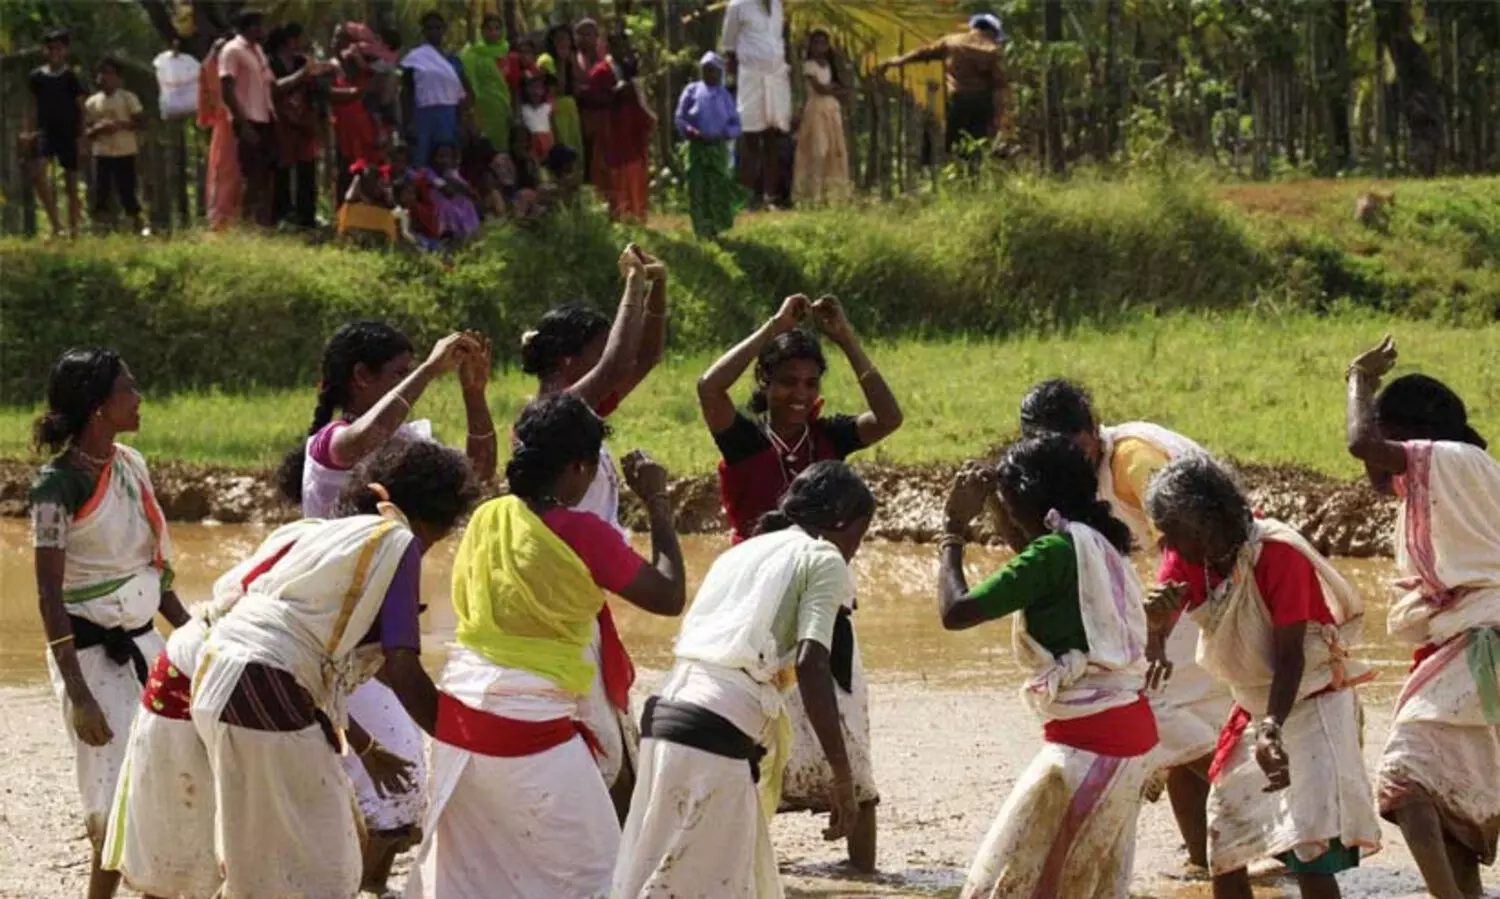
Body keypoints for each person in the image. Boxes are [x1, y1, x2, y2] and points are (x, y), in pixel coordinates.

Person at [191, 440, 514, 897]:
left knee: (257, 858)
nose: (425, 553)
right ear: (423, 520)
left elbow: (342, 659)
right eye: (434, 540)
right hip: (265, 685)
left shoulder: (320, 533)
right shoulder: (397, 541)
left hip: (218, 680)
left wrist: (365, 746)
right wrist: (462, 737)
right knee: (327, 867)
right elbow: (401, 666)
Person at [406, 393, 688, 899]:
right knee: (599, 875)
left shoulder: (488, 517)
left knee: (476, 879)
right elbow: (669, 596)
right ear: (580, 467)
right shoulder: (582, 531)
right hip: (526, 726)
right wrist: (659, 504)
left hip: (460, 717)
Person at [275, 322, 493, 894]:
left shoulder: (400, 449)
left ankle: (361, 887)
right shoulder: (331, 444)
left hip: (367, 646)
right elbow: (365, 439)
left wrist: (474, 392)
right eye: (398, 373)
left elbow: (476, 476)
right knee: (391, 797)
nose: (410, 382)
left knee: (394, 802)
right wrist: (431, 371)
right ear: (361, 378)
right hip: (330, 643)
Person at [698, 293, 902, 870]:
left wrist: (847, 337)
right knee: (755, 735)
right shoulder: (744, 439)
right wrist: (772, 327)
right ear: (764, 381)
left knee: (847, 725)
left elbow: (889, 419)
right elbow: (709, 389)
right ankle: (749, 865)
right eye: (787, 381)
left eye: (811, 383)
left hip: (823, 596)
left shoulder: (828, 438)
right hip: (759, 607)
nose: (799, 394)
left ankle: (864, 872)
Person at [613, 461, 875, 896]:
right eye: (858, 538)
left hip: (665, 725)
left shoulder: (740, 553)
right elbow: (813, 664)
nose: (855, 551)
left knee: (659, 879)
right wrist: (843, 778)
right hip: (714, 739)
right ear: (840, 522)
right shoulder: (824, 557)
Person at [1144, 455, 1382, 899]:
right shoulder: (1188, 555)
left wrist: (1272, 727)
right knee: (1226, 845)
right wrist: (1154, 632)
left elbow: (1290, 658)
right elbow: (1157, 630)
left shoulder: (1276, 553)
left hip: (1309, 705)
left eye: (1174, 529)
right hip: (1253, 709)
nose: (1167, 542)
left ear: (1207, 519)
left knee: (1308, 849)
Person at [1017, 377, 1230, 872]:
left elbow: (1183, 538)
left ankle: (1250, 812)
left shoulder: (1133, 458)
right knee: (1183, 717)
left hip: (1214, 574)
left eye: (1071, 448)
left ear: (1092, 429)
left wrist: (1154, 628)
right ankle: (1206, 861)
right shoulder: (1088, 467)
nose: (1064, 461)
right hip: (1196, 580)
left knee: (1153, 709)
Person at [938, 436, 1157, 898]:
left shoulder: (1053, 555)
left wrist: (952, 530)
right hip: (1129, 734)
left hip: (1091, 742)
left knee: (1031, 882)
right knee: (1085, 879)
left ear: (1028, 500)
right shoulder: (1099, 542)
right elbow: (1028, 545)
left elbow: (955, 612)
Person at [29, 348, 191, 899]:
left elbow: (153, 571)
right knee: (118, 794)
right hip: (93, 659)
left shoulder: (130, 464)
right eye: (130, 389)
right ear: (100, 407)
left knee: (163, 780)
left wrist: (195, 638)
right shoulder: (55, 488)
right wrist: (78, 693)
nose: (139, 398)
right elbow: (49, 595)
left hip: (147, 645)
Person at [1345, 335, 1500, 899]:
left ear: (1405, 434)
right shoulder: (1463, 476)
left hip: (1479, 640)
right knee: (1450, 802)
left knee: (1404, 781)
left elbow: (1360, 442)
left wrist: (1358, 379)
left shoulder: (1453, 460)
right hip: (1471, 642)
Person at [522, 244, 669, 817]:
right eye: (597, 348)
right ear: (566, 365)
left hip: (583, 592)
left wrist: (658, 287)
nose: (612, 357)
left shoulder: (574, 418)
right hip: (562, 599)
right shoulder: (546, 420)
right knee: (606, 746)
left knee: (612, 739)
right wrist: (632, 283)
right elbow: (615, 366)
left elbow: (644, 358)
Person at [879, 14, 1007, 160]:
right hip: (982, 104)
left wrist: (898, 61)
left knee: (950, 140)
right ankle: (971, 176)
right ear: (991, 31)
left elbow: (923, 53)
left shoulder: (952, 41)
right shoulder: (992, 50)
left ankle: (933, 166)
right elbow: (999, 86)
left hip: (957, 100)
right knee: (976, 144)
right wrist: (999, 116)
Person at [721, 0, 791, 209]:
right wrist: (734, 83)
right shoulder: (737, 5)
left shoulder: (778, 5)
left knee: (773, 137)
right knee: (750, 139)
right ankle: (748, 197)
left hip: (776, 78)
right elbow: (729, 48)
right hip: (750, 78)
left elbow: (778, 41)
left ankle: (769, 197)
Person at [587, 30, 655, 223]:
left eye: (625, 45)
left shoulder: (629, 69)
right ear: (609, 47)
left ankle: (637, 215)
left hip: (632, 132)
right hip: (614, 133)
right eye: (617, 44)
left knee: (636, 172)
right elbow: (593, 100)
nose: (623, 49)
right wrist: (614, 93)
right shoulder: (602, 71)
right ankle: (619, 216)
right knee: (616, 176)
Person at [25, 28, 86, 238]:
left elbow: (81, 106)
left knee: (71, 182)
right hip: (45, 132)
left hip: (69, 133)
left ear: (65, 51)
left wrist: (83, 135)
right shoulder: (36, 77)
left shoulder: (70, 76)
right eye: (50, 48)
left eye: (58, 48)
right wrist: (29, 131)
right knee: (38, 174)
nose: (54, 52)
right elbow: (33, 105)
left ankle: (74, 229)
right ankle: (55, 225)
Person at [675, 52, 742, 239]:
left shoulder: (725, 96)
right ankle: (700, 228)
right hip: (697, 147)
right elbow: (680, 117)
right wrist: (689, 130)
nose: (709, 74)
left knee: (718, 187)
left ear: (719, 73)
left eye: (713, 70)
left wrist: (725, 134)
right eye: (705, 70)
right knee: (697, 187)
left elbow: (736, 124)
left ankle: (717, 227)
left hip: (718, 148)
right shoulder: (692, 90)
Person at [267, 23, 322, 229]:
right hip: (281, 120)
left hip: (304, 120)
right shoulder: (270, 63)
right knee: (282, 167)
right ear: (289, 40)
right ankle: (282, 214)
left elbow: (315, 88)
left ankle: (307, 215)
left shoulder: (302, 61)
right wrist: (301, 76)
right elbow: (273, 88)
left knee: (307, 166)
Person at [83, 57, 145, 234]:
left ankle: (136, 225)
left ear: (118, 78)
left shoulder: (127, 98)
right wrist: (99, 128)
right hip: (102, 153)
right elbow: (87, 131)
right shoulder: (92, 102)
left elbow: (140, 123)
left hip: (125, 151)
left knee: (127, 190)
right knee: (101, 191)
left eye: (109, 73)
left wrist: (119, 125)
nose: (104, 77)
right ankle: (102, 228)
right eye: (101, 73)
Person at [403, 11, 471, 167]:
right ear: (424, 32)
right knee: (422, 159)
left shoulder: (453, 60)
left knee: (446, 160)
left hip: (448, 115)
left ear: (444, 30)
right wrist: (409, 121)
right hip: (423, 115)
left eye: (438, 28)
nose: (434, 32)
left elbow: (464, 92)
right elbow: (406, 91)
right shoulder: (415, 57)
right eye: (430, 28)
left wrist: (462, 121)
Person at [792, 29, 852, 206]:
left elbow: (843, 89)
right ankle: (811, 193)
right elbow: (820, 89)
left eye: (823, 43)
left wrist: (835, 89)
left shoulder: (829, 65)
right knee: (818, 150)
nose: (820, 47)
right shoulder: (809, 66)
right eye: (816, 43)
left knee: (835, 150)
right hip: (816, 111)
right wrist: (835, 89)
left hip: (831, 110)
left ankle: (831, 194)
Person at [198, 34, 241, 230]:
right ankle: (221, 217)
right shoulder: (217, 63)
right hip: (226, 124)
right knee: (225, 170)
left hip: (233, 122)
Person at [459, 10, 516, 156]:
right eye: (489, 29)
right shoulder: (474, 54)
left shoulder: (507, 52)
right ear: (482, 31)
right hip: (483, 107)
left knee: (505, 145)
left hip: (505, 106)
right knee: (486, 148)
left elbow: (512, 82)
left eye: (497, 28)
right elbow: (469, 81)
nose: (493, 32)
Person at [419, 142, 483, 244]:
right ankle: (452, 238)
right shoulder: (428, 172)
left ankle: (473, 236)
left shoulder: (451, 173)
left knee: (467, 203)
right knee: (449, 209)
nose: (444, 160)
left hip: (451, 199)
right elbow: (446, 190)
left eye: (448, 157)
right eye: (440, 156)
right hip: (436, 201)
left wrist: (465, 188)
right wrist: (453, 182)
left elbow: (467, 189)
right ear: (432, 159)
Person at [539, 23, 584, 156]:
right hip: (555, 110)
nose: (564, 42)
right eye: (559, 39)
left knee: (576, 149)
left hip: (571, 109)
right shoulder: (546, 60)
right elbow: (559, 89)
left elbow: (576, 87)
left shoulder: (572, 58)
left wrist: (572, 61)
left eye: (567, 39)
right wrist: (561, 62)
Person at [521, 75, 556, 162]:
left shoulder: (548, 107)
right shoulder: (523, 109)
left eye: (538, 88)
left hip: (547, 143)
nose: (535, 92)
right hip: (530, 144)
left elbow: (554, 127)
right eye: (531, 88)